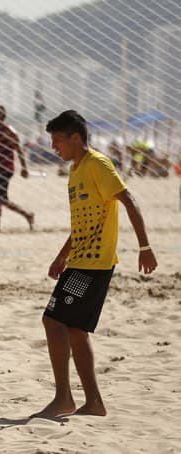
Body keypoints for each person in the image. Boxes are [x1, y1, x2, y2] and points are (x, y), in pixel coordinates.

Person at [32, 110, 158, 419]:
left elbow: (129, 200)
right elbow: (83, 223)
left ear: (75, 138)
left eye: (57, 140)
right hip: (81, 260)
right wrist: (62, 255)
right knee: (76, 330)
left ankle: (63, 398)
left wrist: (145, 247)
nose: (53, 147)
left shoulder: (98, 164)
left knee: (53, 321)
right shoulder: (75, 170)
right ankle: (94, 403)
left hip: (93, 264)